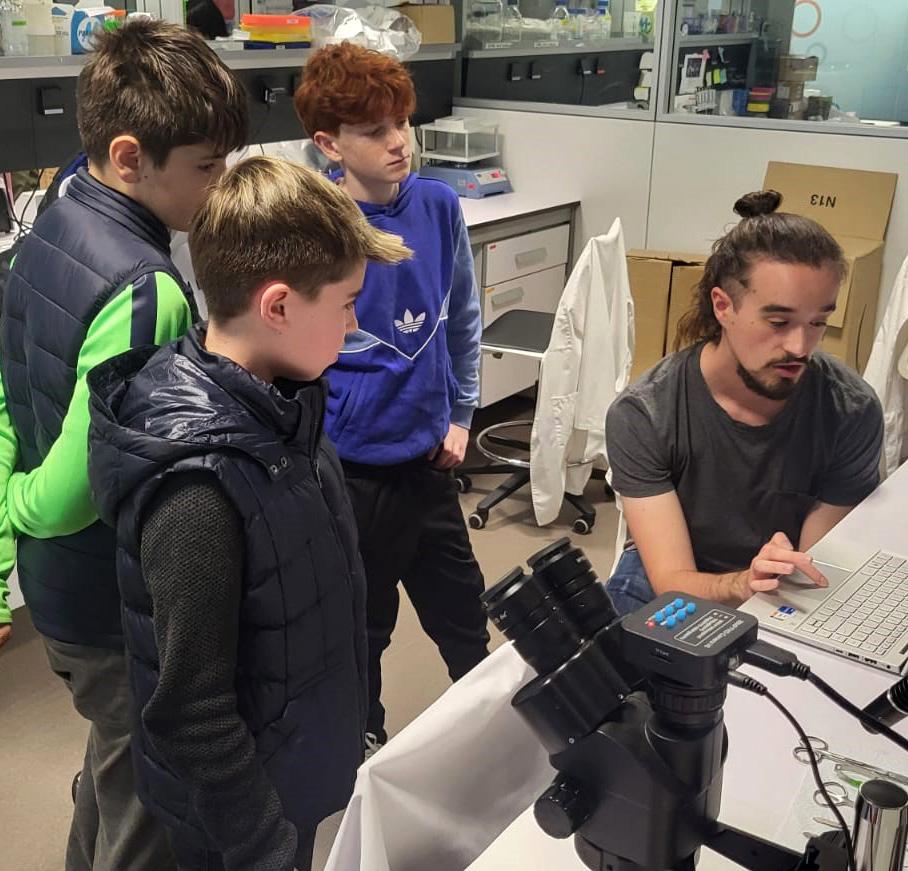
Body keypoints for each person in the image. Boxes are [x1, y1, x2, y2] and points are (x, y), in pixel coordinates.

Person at [86, 156, 411, 871]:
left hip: (295, 775)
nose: (354, 322)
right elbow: (192, 712)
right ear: (279, 307)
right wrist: (264, 845)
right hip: (240, 829)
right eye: (346, 302)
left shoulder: (284, 410)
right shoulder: (198, 490)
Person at [0, 19, 248, 870]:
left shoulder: (51, 223)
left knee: (111, 769)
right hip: (103, 597)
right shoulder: (148, 291)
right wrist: (18, 507)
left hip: (57, 587)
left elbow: (12, 388)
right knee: (148, 808)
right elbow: (77, 489)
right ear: (131, 156)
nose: (218, 187)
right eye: (207, 168)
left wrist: (12, 511)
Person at [294, 43, 491, 753]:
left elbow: (462, 315)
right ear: (329, 144)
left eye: (402, 122)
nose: (399, 141)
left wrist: (462, 413)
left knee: (464, 614)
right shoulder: (318, 225)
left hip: (429, 458)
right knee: (364, 628)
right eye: (375, 130)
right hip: (355, 472)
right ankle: (364, 745)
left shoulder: (437, 206)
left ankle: (492, 735)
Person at [605, 190, 884, 616]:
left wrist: (778, 581)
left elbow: (815, 567)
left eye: (818, 322)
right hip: (676, 580)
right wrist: (743, 582)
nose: (800, 347)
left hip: (782, 582)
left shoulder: (851, 411)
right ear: (723, 306)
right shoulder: (646, 414)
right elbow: (672, 581)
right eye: (779, 321)